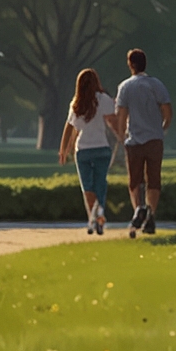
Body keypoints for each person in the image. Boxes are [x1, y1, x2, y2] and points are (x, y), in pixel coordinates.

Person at [114, 48, 171, 237]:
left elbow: (121, 114)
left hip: (135, 139)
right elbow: (167, 111)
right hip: (154, 138)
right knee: (154, 179)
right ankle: (151, 214)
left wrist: (121, 135)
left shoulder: (125, 87)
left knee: (135, 180)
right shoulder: (157, 84)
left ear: (130, 65)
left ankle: (138, 208)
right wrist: (162, 128)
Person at [56, 68, 118, 235]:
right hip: (102, 149)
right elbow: (114, 119)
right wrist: (122, 137)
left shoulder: (77, 103)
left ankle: (93, 217)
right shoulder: (103, 99)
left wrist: (63, 150)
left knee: (87, 187)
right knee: (100, 185)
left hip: (83, 150)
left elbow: (69, 128)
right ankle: (99, 214)